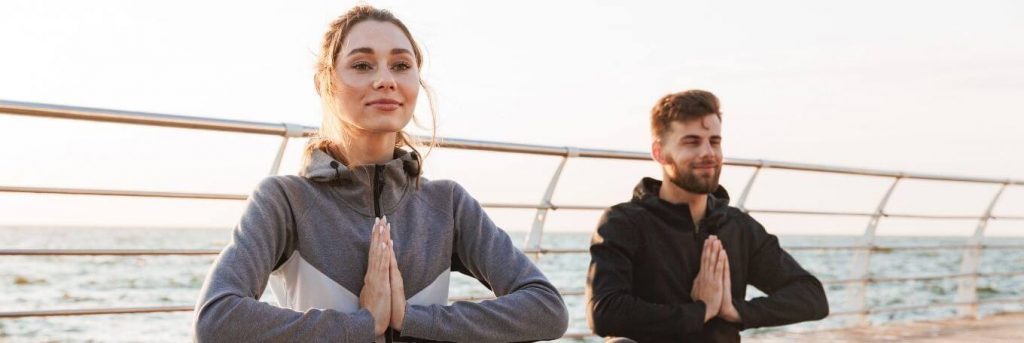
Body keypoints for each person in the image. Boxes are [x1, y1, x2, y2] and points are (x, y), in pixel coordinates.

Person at [192, 6, 569, 342]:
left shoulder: (447, 204)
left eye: (401, 65)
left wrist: (410, 319)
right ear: (326, 83)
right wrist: (364, 324)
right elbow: (216, 320)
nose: (385, 79)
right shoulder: (284, 200)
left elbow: (546, 309)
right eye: (362, 65)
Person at [585, 90, 828, 342]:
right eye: (692, 142)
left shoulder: (737, 226)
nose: (708, 153)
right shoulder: (624, 222)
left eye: (714, 141)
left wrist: (734, 310)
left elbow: (812, 297)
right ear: (659, 153)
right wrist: (700, 312)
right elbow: (603, 313)